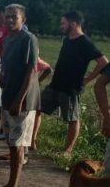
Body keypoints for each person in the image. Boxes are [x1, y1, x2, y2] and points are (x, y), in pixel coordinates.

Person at [0, 4, 40, 187]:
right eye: (7, 17)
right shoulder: (7, 40)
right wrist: (3, 79)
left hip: (22, 101)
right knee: (11, 142)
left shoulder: (28, 39)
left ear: (23, 20)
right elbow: (7, 66)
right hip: (8, 97)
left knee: (18, 146)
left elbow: (31, 71)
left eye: (14, 17)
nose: (10, 20)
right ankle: (9, 184)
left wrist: (19, 99)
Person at [39, 11, 108, 156]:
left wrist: (88, 79)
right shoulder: (67, 39)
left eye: (63, 23)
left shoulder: (85, 42)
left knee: (73, 119)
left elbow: (103, 62)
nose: (61, 26)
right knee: (36, 109)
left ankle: (67, 151)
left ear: (73, 23)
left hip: (71, 88)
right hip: (55, 84)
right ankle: (30, 143)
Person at [30, 58, 52, 151]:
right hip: (26, 86)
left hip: (32, 87)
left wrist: (38, 80)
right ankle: (30, 140)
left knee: (36, 112)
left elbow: (48, 69)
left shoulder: (33, 57)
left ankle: (33, 140)